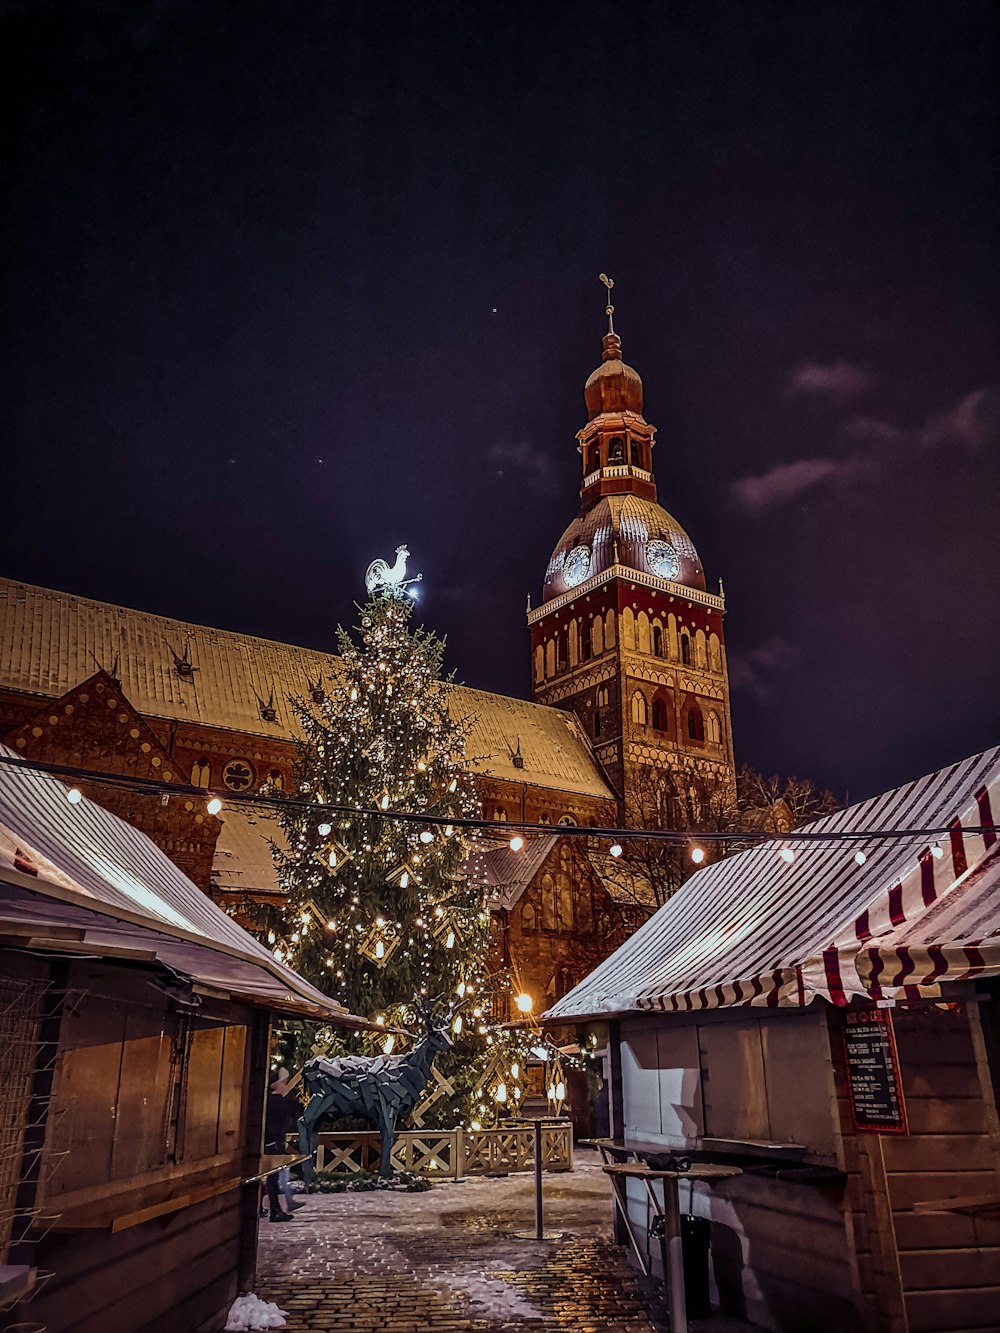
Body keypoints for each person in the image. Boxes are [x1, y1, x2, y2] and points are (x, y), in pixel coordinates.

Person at [263, 1071, 297, 1222]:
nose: (286, 1085)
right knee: (273, 1179)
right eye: (283, 1082)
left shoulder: (269, 1100)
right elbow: (288, 1119)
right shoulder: (277, 1101)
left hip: (272, 1142)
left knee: (273, 1178)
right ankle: (275, 1210)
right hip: (275, 1143)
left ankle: (274, 1209)